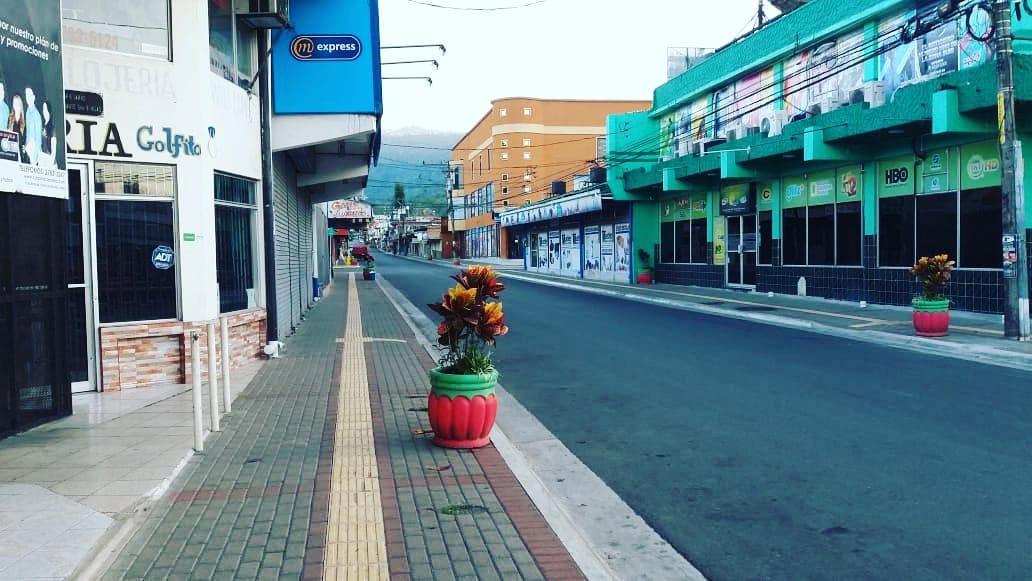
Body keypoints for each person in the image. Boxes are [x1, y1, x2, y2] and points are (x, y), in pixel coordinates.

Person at [23, 86, 42, 165]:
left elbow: (38, 140)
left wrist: (35, 158)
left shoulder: (36, 115)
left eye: (29, 94)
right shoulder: (27, 111)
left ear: (33, 97)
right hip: (28, 150)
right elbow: (28, 134)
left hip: (35, 154)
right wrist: (25, 146)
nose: (28, 97)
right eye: (26, 94)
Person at [8, 94, 27, 163]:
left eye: (17, 103)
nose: (16, 105)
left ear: (20, 105)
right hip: (13, 149)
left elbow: (25, 137)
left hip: (21, 151)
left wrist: (25, 146)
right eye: (14, 103)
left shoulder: (24, 120)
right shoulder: (10, 118)